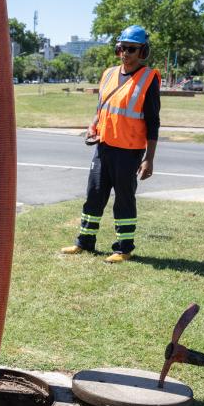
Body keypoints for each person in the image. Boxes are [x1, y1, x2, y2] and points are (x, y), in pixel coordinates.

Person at [61, 25, 160, 263]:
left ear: (142, 52)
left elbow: (153, 122)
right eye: (122, 48)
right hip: (103, 147)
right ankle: (85, 242)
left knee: (124, 199)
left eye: (132, 49)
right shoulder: (108, 74)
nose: (125, 53)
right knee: (94, 194)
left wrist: (149, 158)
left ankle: (123, 248)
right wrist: (91, 127)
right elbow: (101, 108)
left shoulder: (148, 80)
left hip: (129, 151)